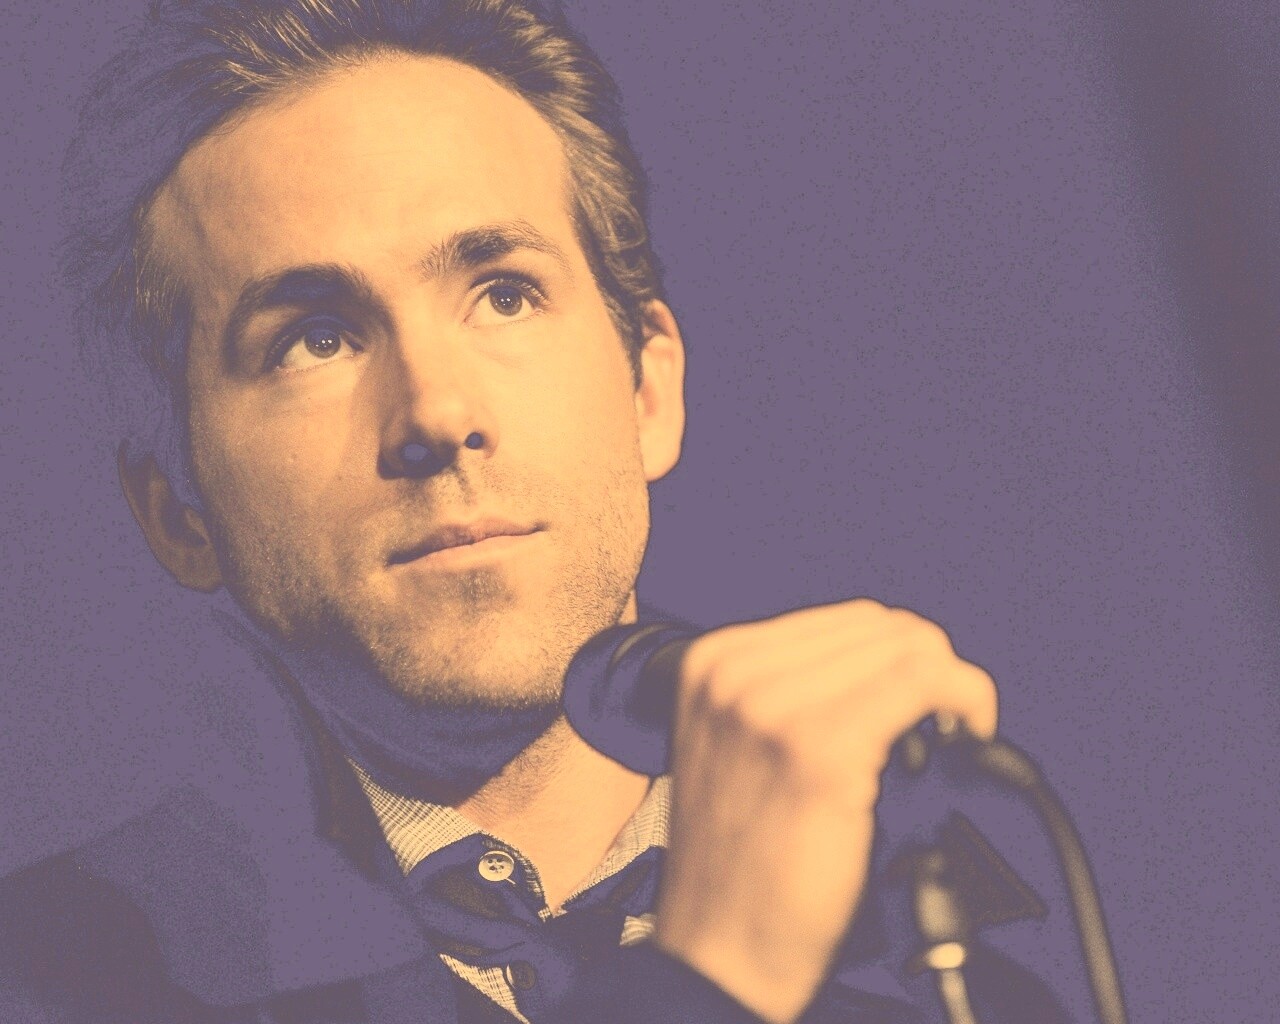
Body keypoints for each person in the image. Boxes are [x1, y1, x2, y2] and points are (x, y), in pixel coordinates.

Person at [1, 1, 1082, 1022]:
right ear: (176, 511)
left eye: (504, 294)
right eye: (314, 338)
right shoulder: (50, 978)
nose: (437, 414)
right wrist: (715, 974)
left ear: (648, 390)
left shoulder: (961, 967)